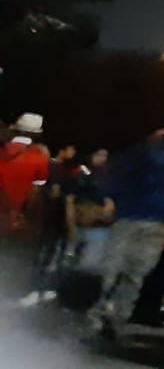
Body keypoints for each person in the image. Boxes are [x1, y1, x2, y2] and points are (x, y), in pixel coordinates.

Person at [92, 103, 164, 340]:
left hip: (163, 219)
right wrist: (109, 198)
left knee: (137, 271)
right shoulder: (150, 146)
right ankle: (96, 311)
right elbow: (121, 169)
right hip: (131, 211)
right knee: (110, 266)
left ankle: (117, 318)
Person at [21, 143, 76, 307]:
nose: (73, 153)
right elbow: (57, 194)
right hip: (52, 219)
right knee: (47, 256)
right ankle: (39, 290)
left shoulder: (51, 168)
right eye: (71, 149)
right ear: (63, 150)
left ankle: (36, 290)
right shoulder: (59, 170)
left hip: (44, 219)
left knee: (42, 256)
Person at [0, 112, 50, 235]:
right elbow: (35, 192)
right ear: (37, 135)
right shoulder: (40, 158)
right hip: (10, 218)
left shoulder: (3, 148)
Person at [66, 148, 115, 269]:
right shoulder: (78, 175)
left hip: (98, 227)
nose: (101, 158)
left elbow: (111, 204)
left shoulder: (111, 177)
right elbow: (70, 201)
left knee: (89, 264)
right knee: (69, 261)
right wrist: (70, 225)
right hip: (79, 223)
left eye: (104, 155)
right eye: (98, 154)